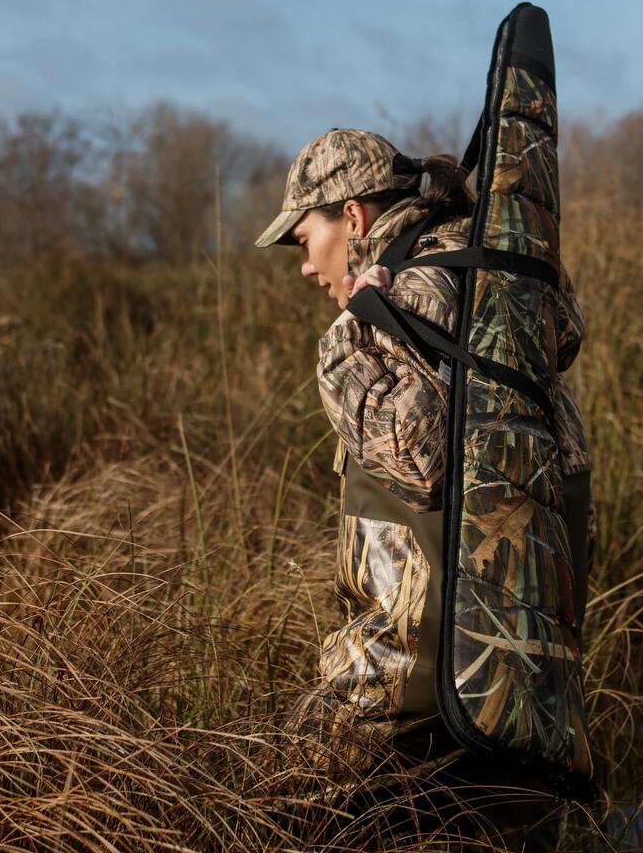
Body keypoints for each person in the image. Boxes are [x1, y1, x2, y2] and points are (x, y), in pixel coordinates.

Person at [254, 127, 595, 850]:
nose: (305, 267)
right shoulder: (505, 289)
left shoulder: (386, 311)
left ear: (352, 218)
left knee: (276, 814)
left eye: (302, 237)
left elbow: (421, 464)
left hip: (406, 703)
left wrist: (352, 335)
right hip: (531, 698)